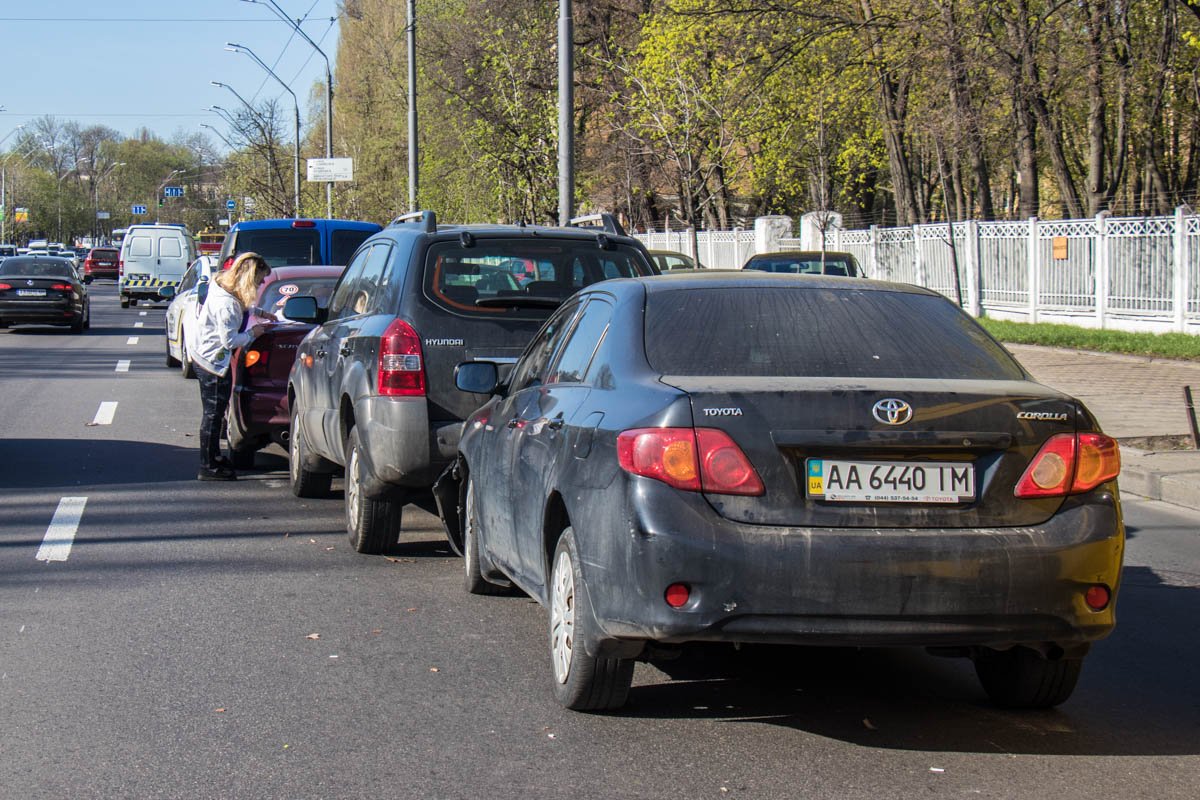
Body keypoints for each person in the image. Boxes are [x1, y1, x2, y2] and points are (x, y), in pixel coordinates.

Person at [191, 252, 270, 480]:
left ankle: (213, 457)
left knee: (215, 413)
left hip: (205, 356)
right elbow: (230, 341)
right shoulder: (226, 305)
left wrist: (260, 313)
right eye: (260, 279)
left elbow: (242, 307)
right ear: (249, 279)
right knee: (213, 414)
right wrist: (253, 333)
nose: (262, 284)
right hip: (212, 363)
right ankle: (208, 465)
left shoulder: (225, 289)